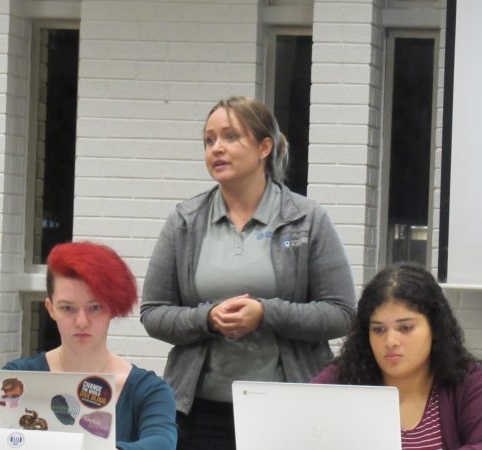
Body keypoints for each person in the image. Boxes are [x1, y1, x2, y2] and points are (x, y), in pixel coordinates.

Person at [140, 96, 356, 450]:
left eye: (230, 137)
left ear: (264, 147)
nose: (217, 149)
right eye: (210, 140)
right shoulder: (184, 221)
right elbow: (153, 313)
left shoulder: (307, 219)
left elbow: (341, 313)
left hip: (291, 407)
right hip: (200, 410)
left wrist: (266, 314)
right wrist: (206, 318)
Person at [312, 262, 482, 450]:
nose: (391, 341)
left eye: (405, 327)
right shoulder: (343, 377)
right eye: (378, 330)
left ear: (434, 327)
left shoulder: (467, 379)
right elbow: (298, 421)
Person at [3, 241, 177, 450]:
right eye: (68, 308)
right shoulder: (18, 378)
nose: (82, 321)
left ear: (112, 307)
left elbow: (162, 442)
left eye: (95, 307)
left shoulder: (148, 390)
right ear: (50, 309)